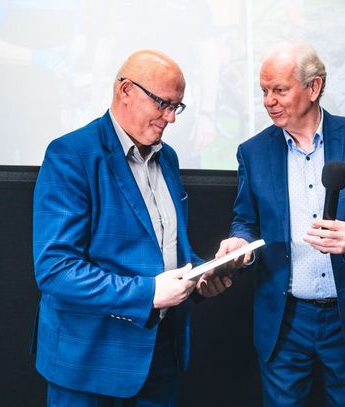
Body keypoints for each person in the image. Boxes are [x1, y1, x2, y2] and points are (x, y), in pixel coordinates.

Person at [213, 43, 345, 406]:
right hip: (284, 320)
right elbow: (245, 221)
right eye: (264, 91)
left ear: (314, 87)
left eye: (279, 90)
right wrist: (240, 243)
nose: (269, 101)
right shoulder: (252, 152)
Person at [32, 49, 230, 406]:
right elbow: (56, 270)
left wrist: (200, 274)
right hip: (89, 362)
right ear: (125, 90)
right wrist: (148, 293)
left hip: (161, 354)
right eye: (163, 104)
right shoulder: (71, 155)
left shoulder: (167, 158)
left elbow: (167, 246)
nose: (171, 118)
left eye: (177, 107)